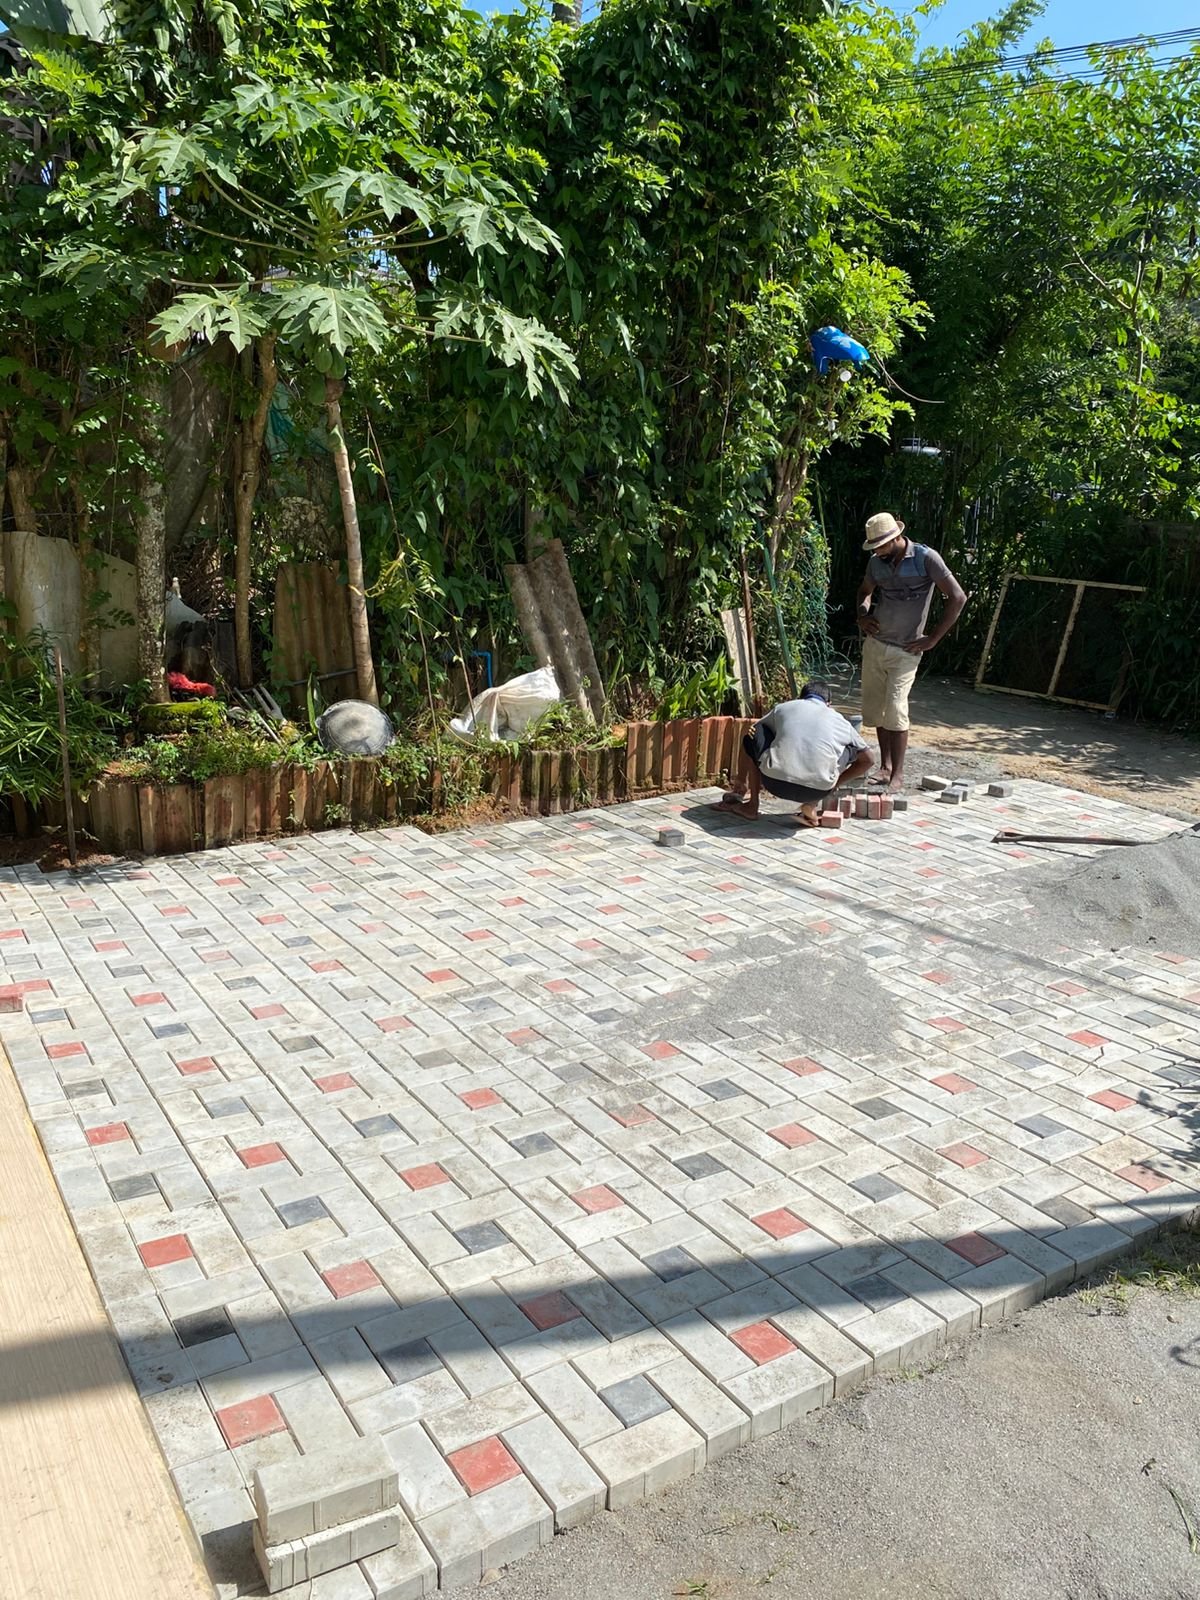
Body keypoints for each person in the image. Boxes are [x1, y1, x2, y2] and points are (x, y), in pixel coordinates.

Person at [856, 512, 966, 793]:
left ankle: (898, 775)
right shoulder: (876, 563)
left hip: (907, 649)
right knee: (876, 709)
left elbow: (958, 597)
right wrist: (863, 615)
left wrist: (933, 639)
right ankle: (885, 767)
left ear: (896, 538)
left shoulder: (926, 558)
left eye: (880, 546)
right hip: (876, 645)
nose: (877, 552)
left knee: (896, 709)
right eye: (874, 547)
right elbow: (865, 591)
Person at [716, 683, 873, 828]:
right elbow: (869, 760)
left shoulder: (783, 708)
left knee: (753, 733)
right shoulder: (841, 721)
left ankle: (749, 802)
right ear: (829, 703)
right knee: (851, 749)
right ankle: (811, 804)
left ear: (800, 697)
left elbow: (755, 729)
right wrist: (834, 784)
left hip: (774, 783)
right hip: (818, 790)